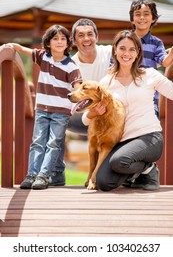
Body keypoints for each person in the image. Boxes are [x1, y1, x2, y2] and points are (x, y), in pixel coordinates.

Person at [82, 30, 173, 192]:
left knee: (119, 161)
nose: (127, 53)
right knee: (103, 182)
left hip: (149, 137)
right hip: (121, 142)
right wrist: (93, 113)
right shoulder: (106, 82)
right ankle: (136, 175)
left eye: (132, 49)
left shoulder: (149, 75)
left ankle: (148, 169)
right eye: (122, 48)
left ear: (138, 53)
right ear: (115, 50)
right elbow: (85, 119)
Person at [6, 24, 82, 189]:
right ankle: (31, 174)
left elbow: (77, 86)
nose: (59, 42)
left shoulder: (72, 66)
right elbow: (25, 50)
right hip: (42, 109)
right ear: (48, 43)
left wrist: (81, 98)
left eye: (63, 39)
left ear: (68, 43)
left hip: (61, 111)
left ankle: (43, 176)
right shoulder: (43, 57)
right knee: (37, 141)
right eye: (55, 38)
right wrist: (14, 46)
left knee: (54, 143)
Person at [50, 19, 112, 184]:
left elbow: (134, 49)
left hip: (109, 114)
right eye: (81, 35)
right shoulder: (68, 65)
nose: (86, 39)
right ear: (74, 41)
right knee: (55, 115)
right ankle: (56, 174)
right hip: (79, 116)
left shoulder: (110, 53)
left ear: (97, 37)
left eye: (90, 34)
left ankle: (123, 172)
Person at [129, 0, 173, 119]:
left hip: (150, 97)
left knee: (150, 124)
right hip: (127, 92)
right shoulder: (125, 40)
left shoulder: (156, 43)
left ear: (153, 19)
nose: (142, 17)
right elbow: (113, 66)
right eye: (138, 14)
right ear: (132, 19)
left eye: (146, 14)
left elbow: (164, 62)